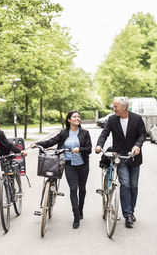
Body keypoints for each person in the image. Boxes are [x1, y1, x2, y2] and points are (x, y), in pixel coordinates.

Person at [31, 110, 92, 229]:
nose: (77, 118)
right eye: (74, 117)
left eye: (78, 117)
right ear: (69, 120)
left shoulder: (85, 133)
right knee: (73, 188)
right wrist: (37, 144)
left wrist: (79, 149)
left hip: (83, 164)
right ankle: (75, 217)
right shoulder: (63, 133)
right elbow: (51, 141)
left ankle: (80, 210)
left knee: (82, 188)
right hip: (69, 164)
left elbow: (89, 148)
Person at [95, 97, 147, 228]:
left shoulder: (137, 118)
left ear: (124, 108)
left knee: (134, 186)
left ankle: (131, 210)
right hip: (120, 157)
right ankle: (128, 215)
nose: (114, 109)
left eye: (116, 106)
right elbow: (104, 133)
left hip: (134, 158)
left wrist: (138, 146)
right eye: (114, 106)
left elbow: (142, 134)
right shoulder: (112, 119)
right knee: (125, 184)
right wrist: (99, 145)